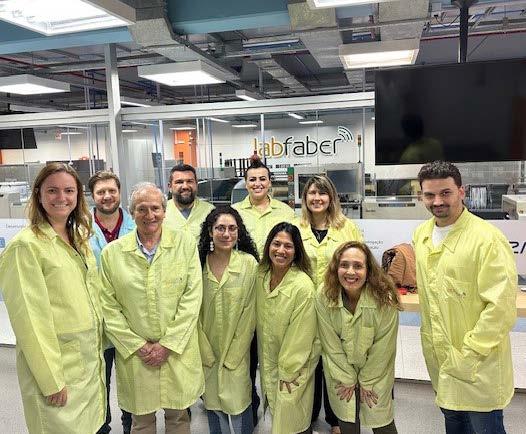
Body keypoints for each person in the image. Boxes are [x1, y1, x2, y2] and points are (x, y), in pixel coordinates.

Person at [0, 162, 106, 434]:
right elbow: (29, 321)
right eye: (52, 191)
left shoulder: (78, 238)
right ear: (38, 194)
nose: (62, 197)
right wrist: (51, 380)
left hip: (87, 365)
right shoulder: (25, 246)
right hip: (57, 371)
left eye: (69, 191)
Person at [413, 161, 517, 434]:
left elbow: (501, 308)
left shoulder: (487, 239)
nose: (437, 201)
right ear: (421, 196)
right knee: (454, 425)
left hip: (478, 365)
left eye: (445, 193)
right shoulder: (422, 235)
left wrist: (468, 354)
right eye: (430, 195)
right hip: (441, 362)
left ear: (462, 191)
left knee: (484, 427)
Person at [100, 182, 204, 434]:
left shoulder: (184, 244)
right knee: (141, 421)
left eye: (156, 208)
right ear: (131, 213)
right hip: (137, 355)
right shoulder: (113, 254)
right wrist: (139, 346)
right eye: (142, 209)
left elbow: (192, 298)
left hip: (176, 350)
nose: (150, 215)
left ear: (164, 211)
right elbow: (108, 307)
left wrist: (167, 345)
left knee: (178, 418)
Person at [295, 175, 363, 434]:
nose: (317, 198)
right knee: (308, 360)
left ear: (331, 197)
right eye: (312, 193)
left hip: (337, 306)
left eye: (322, 193)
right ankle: (309, 413)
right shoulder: (297, 227)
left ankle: (336, 418)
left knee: (336, 360)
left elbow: (360, 265)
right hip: (304, 306)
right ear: (305, 198)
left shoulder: (347, 228)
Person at [233, 158, 295, 424]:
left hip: (276, 287)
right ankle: (250, 405)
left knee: (275, 347)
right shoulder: (235, 212)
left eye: (262, 179)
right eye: (252, 179)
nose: (257, 184)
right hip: (245, 288)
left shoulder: (286, 212)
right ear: (245, 183)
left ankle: (280, 405)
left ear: (270, 182)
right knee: (247, 352)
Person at [316, 241, 400, 434]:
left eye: (358, 266)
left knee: (383, 424)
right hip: (340, 371)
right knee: (347, 420)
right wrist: (347, 379)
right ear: (336, 268)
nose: (350, 272)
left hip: (376, 374)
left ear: (368, 270)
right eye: (344, 265)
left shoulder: (385, 298)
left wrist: (367, 381)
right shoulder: (324, 295)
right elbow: (330, 344)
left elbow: (383, 349)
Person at [197, 206, 259, 434]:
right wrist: (204, 350)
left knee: (240, 404)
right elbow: (192, 312)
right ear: (210, 232)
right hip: (207, 351)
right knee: (213, 405)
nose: (226, 234)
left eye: (232, 228)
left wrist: (235, 354)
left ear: (239, 232)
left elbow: (250, 312)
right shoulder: (198, 264)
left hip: (237, 353)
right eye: (220, 228)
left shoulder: (249, 264)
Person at [256, 222, 319, 434]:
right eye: (276, 244)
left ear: (296, 251)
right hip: (270, 364)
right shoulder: (261, 276)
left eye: (288, 246)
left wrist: (288, 372)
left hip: (293, 371)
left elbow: (301, 339)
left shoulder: (302, 286)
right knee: (279, 420)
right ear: (268, 246)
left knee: (293, 423)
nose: (281, 250)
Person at [88, 170, 135, 434]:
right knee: (99, 381)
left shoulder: (136, 225)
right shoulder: (79, 227)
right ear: (93, 196)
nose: (107, 196)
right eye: (101, 192)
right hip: (97, 317)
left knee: (133, 381)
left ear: (119, 193)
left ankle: (131, 425)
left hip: (131, 318)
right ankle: (102, 425)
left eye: (112, 191)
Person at [164, 163, 214, 241]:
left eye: (190, 181)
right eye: (179, 182)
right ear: (170, 187)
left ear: (196, 184)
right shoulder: (161, 212)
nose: (185, 186)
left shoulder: (210, 211)